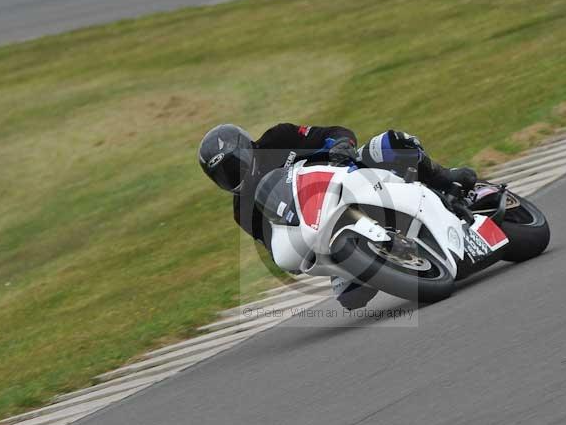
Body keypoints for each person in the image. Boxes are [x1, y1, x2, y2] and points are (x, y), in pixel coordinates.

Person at [197, 123, 477, 310]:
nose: (233, 176)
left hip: (351, 177)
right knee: (351, 297)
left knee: (391, 143)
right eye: (224, 176)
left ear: (246, 147)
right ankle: (390, 253)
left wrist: (342, 144)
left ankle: (445, 180)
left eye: (234, 166)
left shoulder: (278, 138)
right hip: (322, 232)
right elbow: (274, 245)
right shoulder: (242, 210)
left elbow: (332, 132)